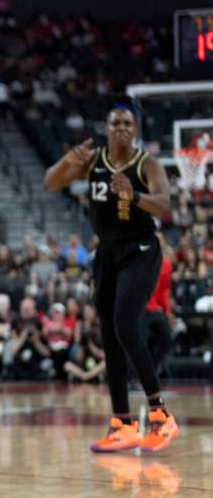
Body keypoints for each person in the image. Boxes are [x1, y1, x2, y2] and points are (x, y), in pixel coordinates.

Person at [44, 98, 178, 452]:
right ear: (106, 127)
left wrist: (134, 196)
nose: (121, 129)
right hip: (106, 251)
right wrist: (66, 162)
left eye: (127, 124)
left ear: (135, 129)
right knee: (109, 333)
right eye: (115, 123)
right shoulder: (92, 161)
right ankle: (123, 422)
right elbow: (49, 182)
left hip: (141, 249)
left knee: (125, 325)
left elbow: (165, 206)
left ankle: (161, 414)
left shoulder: (146, 163)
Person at [143, 231, 174, 373]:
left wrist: (167, 312)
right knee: (138, 344)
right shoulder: (142, 260)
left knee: (167, 340)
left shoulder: (166, 265)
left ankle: (152, 370)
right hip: (139, 309)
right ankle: (132, 378)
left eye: (160, 240)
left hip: (154, 309)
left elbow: (163, 291)